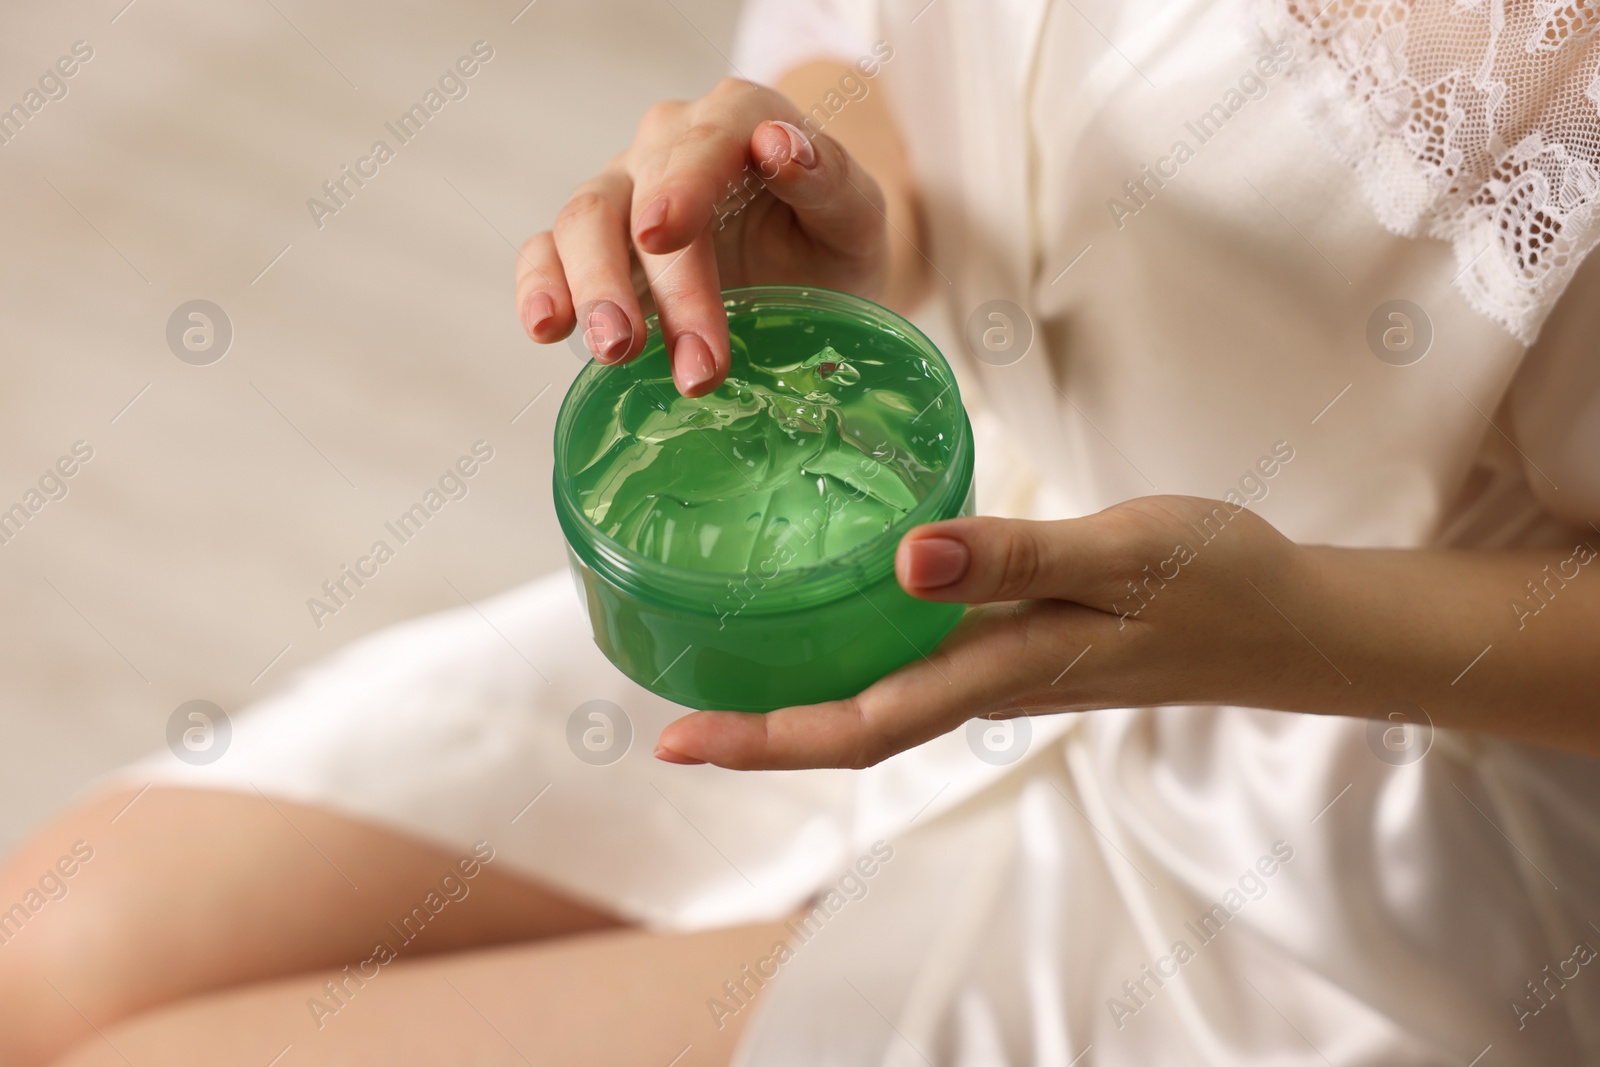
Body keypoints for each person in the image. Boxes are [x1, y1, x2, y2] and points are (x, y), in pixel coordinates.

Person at [5, 0, 1600, 1063]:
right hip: (913, 527)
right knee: (49, 953)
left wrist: (1288, 627)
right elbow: (922, 50)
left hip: (1345, 802)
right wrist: (812, 185)